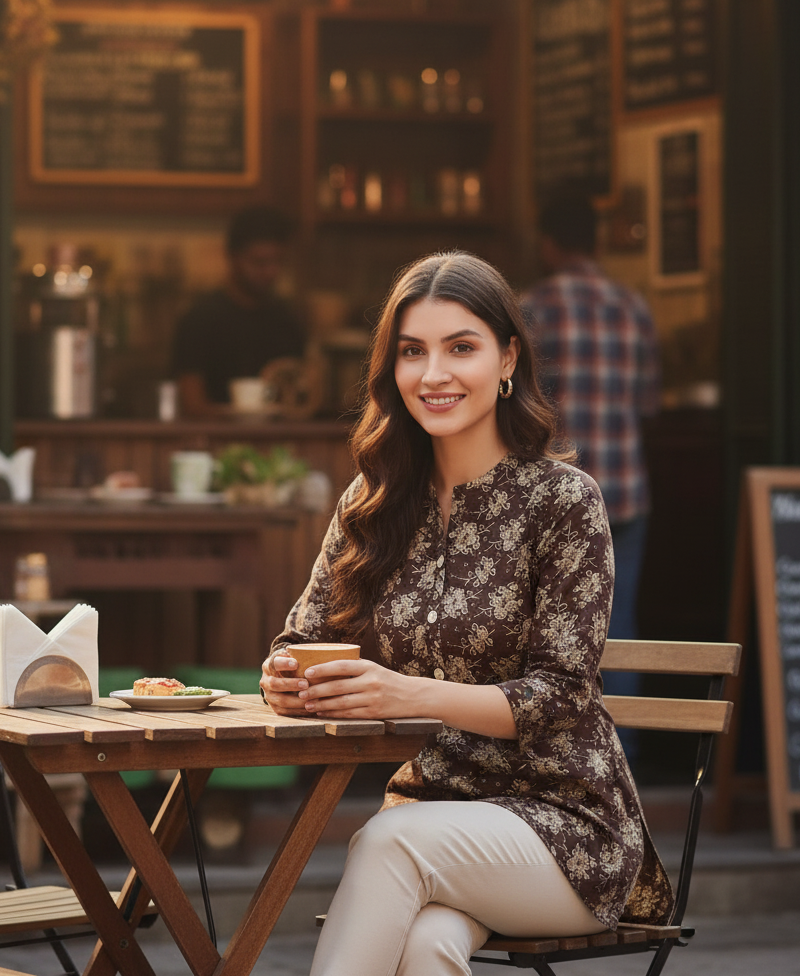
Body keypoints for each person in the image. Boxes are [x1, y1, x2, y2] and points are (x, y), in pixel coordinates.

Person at [260, 252, 672, 976]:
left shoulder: (561, 501)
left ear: (507, 357)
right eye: (412, 352)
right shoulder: (374, 501)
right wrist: (286, 676)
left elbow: (560, 696)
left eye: (460, 348)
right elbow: (304, 636)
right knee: (426, 948)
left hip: (565, 828)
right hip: (436, 811)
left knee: (389, 844)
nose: (432, 374)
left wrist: (404, 695)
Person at [523, 195, 661, 763]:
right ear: (597, 242)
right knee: (618, 628)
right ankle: (620, 764)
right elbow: (649, 402)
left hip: (554, 495)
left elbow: (513, 404)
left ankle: (563, 765)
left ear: (549, 244)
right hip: (626, 491)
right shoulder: (634, 308)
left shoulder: (532, 309)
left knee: (545, 633)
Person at [172, 205, 305, 417]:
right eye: (259, 262)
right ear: (232, 257)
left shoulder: (287, 321)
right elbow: (191, 405)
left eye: (278, 262)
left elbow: (298, 400)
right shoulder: (199, 321)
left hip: (277, 444)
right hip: (213, 442)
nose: (271, 272)